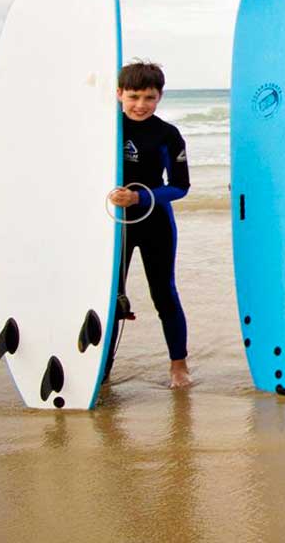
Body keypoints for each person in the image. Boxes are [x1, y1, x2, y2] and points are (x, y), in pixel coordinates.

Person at [105, 60, 194, 388]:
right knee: (109, 296)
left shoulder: (167, 134)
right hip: (113, 224)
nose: (140, 105)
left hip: (155, 221)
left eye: (149, 98)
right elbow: (60, 160)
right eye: (133, 97)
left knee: (164, 294)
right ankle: (102, 368)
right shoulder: (105, 129)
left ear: (159, 97)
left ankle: (178, 365)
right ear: (119, 94)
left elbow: (180, 186)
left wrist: (139, 198)